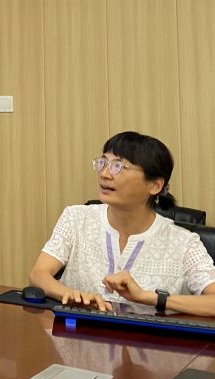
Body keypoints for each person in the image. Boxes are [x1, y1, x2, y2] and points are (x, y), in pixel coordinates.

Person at [28, 131, 215, 316]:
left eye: (118, 166)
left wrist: (148, 297)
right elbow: (38, 274)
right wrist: (70, 295)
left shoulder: (184, 243)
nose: (104, 174)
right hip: (78, 331)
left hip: (147, 335)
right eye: (103, 163)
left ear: (155, 185)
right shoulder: (76, 218)